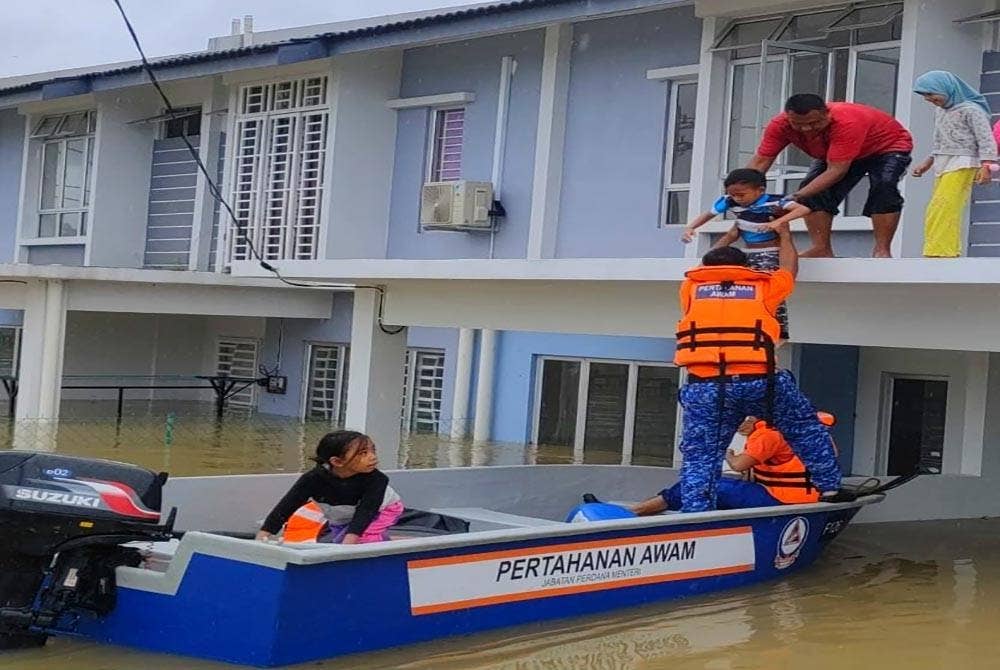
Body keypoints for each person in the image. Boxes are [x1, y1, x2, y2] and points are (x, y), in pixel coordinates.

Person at [673, 219, 842, 512]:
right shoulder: (763, 286)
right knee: (805, 429)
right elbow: (789, 268)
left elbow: (709, 263)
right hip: (760, 382)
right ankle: (829, 488)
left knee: (701, 454)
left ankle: (695, 513)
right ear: (745, 266)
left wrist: (729, 235)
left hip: (706, 386)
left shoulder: (691, 288)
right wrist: (785, 236)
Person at [747, 94, 913, 258]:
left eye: (814, 123)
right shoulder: (779, 125)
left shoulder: (846, 122)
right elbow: (761, 161)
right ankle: (821, 248)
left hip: (886, 147)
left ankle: (882, 250)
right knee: (813, 190)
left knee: (884, 186)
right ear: (788, 118)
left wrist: (796, 196)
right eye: (798, 124)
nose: (806, 129)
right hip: (835, 153)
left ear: (827, 114)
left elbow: (836, 170)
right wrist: (739, 192)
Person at [682, 168, 811, 341]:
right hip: (748, 248)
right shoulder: (729, 202)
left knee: (768, 292)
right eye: (733, 195)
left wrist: (779, 222)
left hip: (769, 250)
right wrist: (691, 227)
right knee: (761, 289)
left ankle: (777, 331)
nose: (737, 199)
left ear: (761, 190)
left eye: (742, 195)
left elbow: (803, 209)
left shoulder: (773, 202)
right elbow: (709, 214)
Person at [631, 412, 836, 515]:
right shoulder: (809, 428)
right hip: (805, 497)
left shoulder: (768, 436)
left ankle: (636, 512)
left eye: (740, 420)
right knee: (720, 486)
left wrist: (727, 454)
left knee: (703, 485)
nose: (737, 425)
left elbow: (738, 465)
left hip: (781, 499)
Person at [256, 430, 403, 544]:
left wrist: (350, 542)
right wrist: (264, 535)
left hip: (384, 509)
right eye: (363, 453)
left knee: (362, 539)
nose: (373, 457)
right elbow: (287, 506)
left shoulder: (377, 480)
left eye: (373, 450)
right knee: (340, 541)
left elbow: (366, 511)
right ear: (337, 462)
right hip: (342, 515)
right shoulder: (313, 479)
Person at [911, 71, 997, 258]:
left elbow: (985, 139)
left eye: (931, 93)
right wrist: (927, 162)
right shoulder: (941, 111)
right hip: (943, 162)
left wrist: (986, 165)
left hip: (964, 161)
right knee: (937, 206)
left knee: (945, 205)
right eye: (924, 95)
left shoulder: (971, 110)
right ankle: (939, 248)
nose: (928, 99)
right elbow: (940, 141)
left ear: (946, 88)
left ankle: (942, 251)